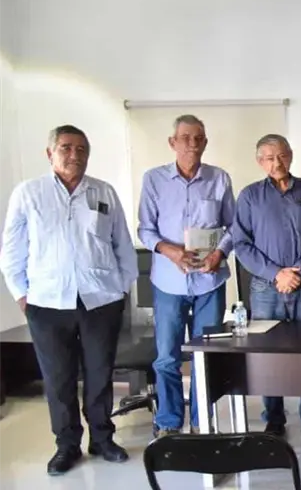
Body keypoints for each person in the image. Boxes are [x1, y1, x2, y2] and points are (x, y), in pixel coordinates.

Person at [0, 125, 138, 475]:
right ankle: (67, 444)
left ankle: (103, 438)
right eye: (65, 147)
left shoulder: (103, 192)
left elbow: (122, 243)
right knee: (58, 379)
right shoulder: (28, 194)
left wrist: (121, 288)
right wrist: (22, 295)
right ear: (50, 153)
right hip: (47, 302)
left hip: (100, 300)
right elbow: (12, 251)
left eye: (81, 148)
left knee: (99, 373)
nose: (74, 154)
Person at [138, 115, 235, 437]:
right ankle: (168, 421)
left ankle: (201, 422)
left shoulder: (219, 178)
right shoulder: (153, 180)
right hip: (169, 281)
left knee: (205, 357)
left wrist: (219, 253)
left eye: (198, 138)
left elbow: (233, 227)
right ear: (173, 143)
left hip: (210, 281)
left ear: (205, 142)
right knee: (166, 356)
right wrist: (170, 250)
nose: (192, 144)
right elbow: (145, 229)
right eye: (185, 138)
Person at [232, 134, 301, 445]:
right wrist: (277, 274)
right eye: (269, 158)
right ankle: (273, 418)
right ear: (260, 161)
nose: (277, 163)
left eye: (282, 156)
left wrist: (297, 272)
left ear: (291, 155)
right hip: (266, 287)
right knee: (267, 354)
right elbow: (241, 244)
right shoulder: (249, 197)